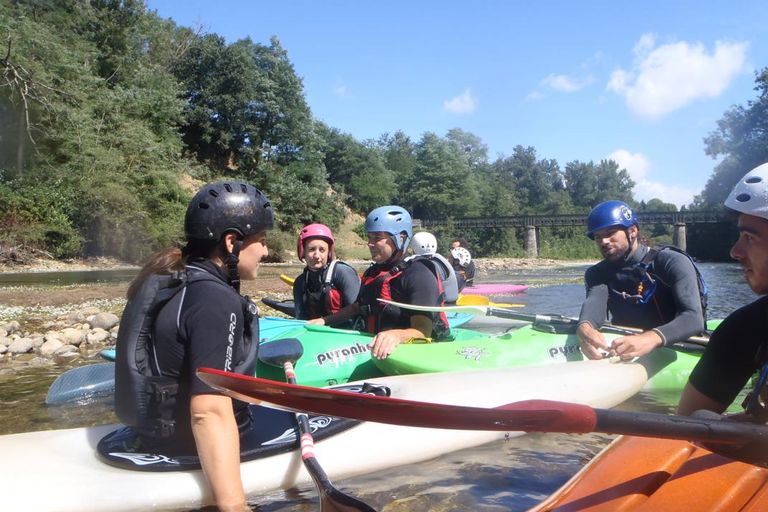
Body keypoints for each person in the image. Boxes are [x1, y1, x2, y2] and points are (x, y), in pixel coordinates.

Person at [115, 181, 273, 512]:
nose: (265, 251)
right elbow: (208, 412)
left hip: (155, 433)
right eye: (261, 240)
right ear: (231, 241)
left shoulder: (176, 280)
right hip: (185, 442)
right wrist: (235, 506)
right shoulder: (215, 300)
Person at [678, 163, 768, 418]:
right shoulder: (744, 329)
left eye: (750, 237)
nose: (735, 252)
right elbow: (686, 425)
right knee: (700, 418)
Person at [313, 205, 450, 359]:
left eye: (377, 238)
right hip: (371, 347)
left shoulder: (419, 274)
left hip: (411, 353)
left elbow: (423, 331)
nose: (370, 244)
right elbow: (357, 307)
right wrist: (323, 321)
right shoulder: (373, 272)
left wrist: (396, 336)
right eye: (369, 237)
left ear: (401, 238)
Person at [576, 200, 706, 360]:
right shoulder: (596, 273)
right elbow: (594, 303)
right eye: (598, 237)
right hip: (626, 345)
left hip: (678, 344)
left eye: (610, 233)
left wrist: (649, 339)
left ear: (632, 231)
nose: (603, 241)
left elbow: (693, 318)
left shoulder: (671, 262)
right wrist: (585, 328)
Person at [293, 223, 360, 327]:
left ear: (328, 253)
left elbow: (357, 309)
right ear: (303, 252)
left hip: (347, 331)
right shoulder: (300, 282)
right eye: (311, 249)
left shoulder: (343, 273)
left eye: (322, 250)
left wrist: (324, 321)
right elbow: (301, 318)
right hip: (317, 332)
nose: (317, 256)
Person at [408, 231, 460, 304]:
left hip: (440, 306)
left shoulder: (420, 265)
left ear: (414, 248)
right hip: (452, 304)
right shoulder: (440, 261)